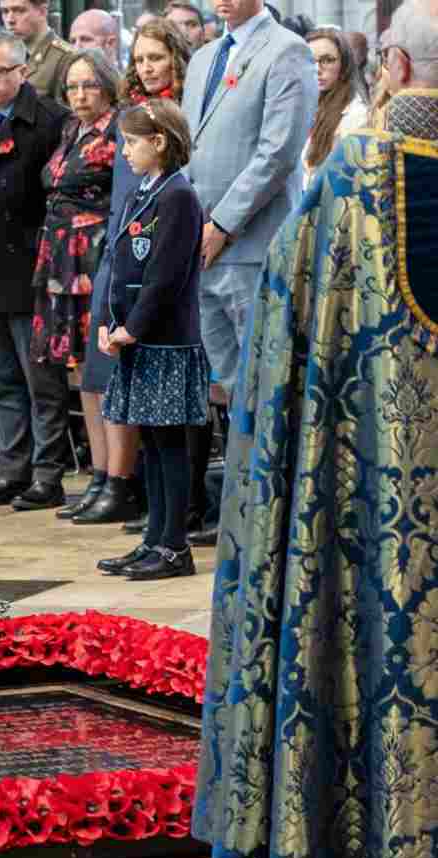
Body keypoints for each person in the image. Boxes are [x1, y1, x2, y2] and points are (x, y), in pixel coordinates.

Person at [194, 0, 438, 858]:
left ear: (395, 68)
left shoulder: (353, 177)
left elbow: (284, 332)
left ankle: (387, 843)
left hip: (373, 477)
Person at [181, 0, 317, 548]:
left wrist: (223, 223)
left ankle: (269, 514)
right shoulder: (204, 57)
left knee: (260, 384)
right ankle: (238, 508)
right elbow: (189, 148)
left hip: (251, 243)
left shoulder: (287, 51)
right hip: (200, 244)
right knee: (225, 387)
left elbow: (278, 152)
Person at [79, 19, 193, 528]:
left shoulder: (176, 138)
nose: (146, 67)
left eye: (156, 58)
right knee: (106, 380)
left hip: (160, 295)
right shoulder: (134, 125)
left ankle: (160, 519)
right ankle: (121, 493)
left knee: (165, 424)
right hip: (123, 262)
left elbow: (166, 269)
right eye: (140, 58)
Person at [95, 100, 208, 581]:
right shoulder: (144, 190)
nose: (124, 151)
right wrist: (108, 322)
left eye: (131, 142)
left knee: (169, 444)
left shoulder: (178, 196)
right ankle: (153, 539)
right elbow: (119, 262)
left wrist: (133, 327)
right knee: (152, 446)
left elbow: (165, 276)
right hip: (136, 338)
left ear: (159, 143)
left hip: (164, 340)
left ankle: (174, 546)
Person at [0, 30, 71, 511]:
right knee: (1, 380)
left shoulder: (49, 119)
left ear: (23, 72)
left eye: (0, 71)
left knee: (41, 381)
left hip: (30, 263)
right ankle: (12, 470)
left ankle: (47, 474)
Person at [30, 49, 121, 520]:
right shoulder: (70, 128)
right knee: (81, 371)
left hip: (96, 255)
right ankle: (96, 475)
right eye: (72, 86)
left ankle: (118, 478)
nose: (80, 94)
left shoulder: (119, 128)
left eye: (89, 85)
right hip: (61, 257)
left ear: (108, 85)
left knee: (103, 371)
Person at [303, 29, 368, 189]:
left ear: (344, 65)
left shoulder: (356, 115)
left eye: (327, 60)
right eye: (310, 60)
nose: (317, 68)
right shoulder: (304, 106)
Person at [0, 0, 75, 97]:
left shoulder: (66, 58)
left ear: (42, 12)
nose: (10, 20)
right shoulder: (4, 54)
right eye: (5, 11)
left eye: (19, 11)